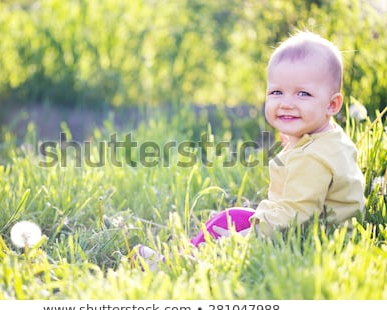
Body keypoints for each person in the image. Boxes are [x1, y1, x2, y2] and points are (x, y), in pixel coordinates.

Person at [136, 31, 366, 270]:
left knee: (230, 232)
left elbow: (296, 216)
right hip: (311, 230)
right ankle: (182, 258)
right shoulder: (326, 138)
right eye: (277, 92)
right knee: (232, 218)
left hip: (309, 243)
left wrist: (244, 238)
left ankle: (176, 266)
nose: (286, 102)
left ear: (332, 104)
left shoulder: (313, 158)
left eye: (303, 94)